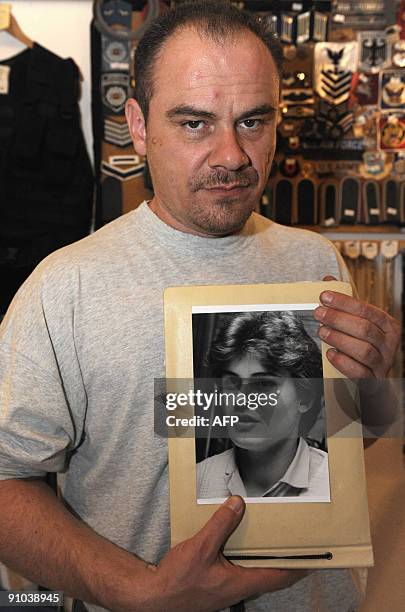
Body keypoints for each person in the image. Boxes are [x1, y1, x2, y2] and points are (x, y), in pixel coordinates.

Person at [0, 2, 400, 612]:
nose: (232, 156)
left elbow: (343, 442)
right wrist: (136, 590)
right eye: (194, 124)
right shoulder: (66, 288)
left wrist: (376, 390)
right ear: (138, 126)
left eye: (252, 121)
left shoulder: (315, 263)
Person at [197, 310, 330, 501]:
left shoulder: (334, 482)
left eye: (263, 384)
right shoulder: (198, 480)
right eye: (232, 383)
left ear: (305, 398)